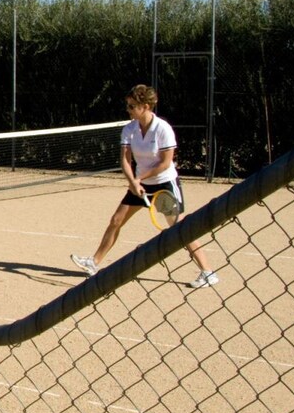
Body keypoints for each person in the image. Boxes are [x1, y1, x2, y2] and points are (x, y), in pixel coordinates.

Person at [70, 84, 220, 288]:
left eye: (132, 106)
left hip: (164, 183)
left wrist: (140, 179)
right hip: (139, 184)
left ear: (146, 106)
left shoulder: (162, 129)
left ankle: (208, 272)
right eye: (128, 106)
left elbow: (165, 162)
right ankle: (94, 263)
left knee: (180, 229)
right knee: (116, 220)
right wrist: (133, 182)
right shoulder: (129, 129)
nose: (129, 109)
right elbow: (124, 159)